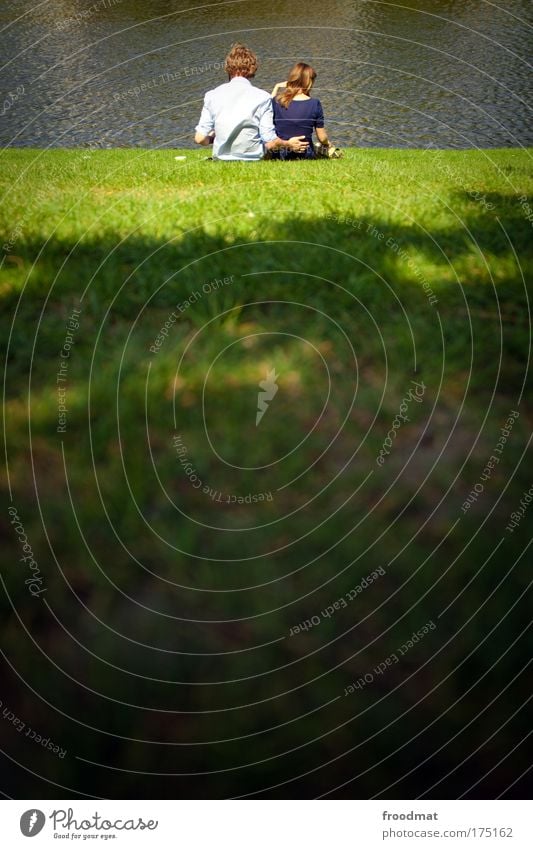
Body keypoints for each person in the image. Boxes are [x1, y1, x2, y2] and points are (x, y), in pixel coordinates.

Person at [194, 44, 309, 161]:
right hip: (253, 158)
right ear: (252, 69)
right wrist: (288, 144)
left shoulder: (212, 95)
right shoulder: (263, 97)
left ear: (228, 68)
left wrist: (213, 138)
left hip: (221, 158)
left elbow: (200, 139)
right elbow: (270, 141)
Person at [270, 63, 331, 159]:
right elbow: (322, 138)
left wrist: (276, 87)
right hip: (306, 154)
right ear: (309, 82)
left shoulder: (277, 101)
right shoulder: (314, 104)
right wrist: (328, 144)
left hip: (280, 154)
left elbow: (267, 106)